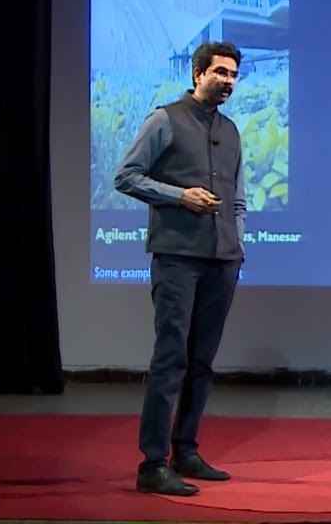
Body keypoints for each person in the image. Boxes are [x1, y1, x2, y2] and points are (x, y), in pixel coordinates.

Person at [114, 41, 248, 496]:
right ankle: (152, 464)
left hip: (223, 260)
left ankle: (185, 451)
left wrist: (237, 243)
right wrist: (179, 196)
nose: (228, 81)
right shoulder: (164, 120)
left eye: (233, 75)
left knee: (201, 362)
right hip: (177, 257)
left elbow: (238, 199)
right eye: (221, 72)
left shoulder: (230, 130)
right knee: (171, 359)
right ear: (198, 73)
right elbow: (126, 176)